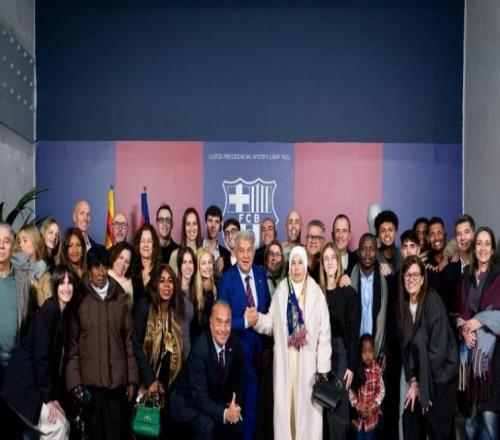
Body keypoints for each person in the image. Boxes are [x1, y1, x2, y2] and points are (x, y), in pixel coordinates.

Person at [249, 245, 331, 440]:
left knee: (308, 417)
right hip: (286, 361)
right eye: (293, 263)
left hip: (309, 365)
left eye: (300, 263)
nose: (296, 267)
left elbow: (324, 333)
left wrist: (323, 368)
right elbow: (271, 324)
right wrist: (256, 319)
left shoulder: (316, 293)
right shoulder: (282, 290)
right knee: (286, 412)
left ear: (306, 265)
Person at [66, 245, 138, 440]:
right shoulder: (78, 298)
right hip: (90, 388)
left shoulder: (119, 297)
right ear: (89, 269)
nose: (101, 272)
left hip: (117, 386)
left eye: (104, 266)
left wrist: (132, 379)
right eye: (96, 267)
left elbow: (129, 341)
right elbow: (72, 347)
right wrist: (75, 384)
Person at [1, 265, 77, 440]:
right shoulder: (48, 311)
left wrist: (54, 398)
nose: (66, 288)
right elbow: (41, 358)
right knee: (57, 426)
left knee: (63, 423)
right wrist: (48, 398)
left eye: (70, 283)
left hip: (32, 385)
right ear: (55, 286)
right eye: (62, 283)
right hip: (21, 385)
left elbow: (53, 364)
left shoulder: (62, 316)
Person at [398, 255, 459, 439]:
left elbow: (437, 352)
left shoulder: (432, 301)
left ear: (423, 278)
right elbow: (406, 349)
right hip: (422, 377)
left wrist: (421, 385)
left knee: (438, 430)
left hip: (441, 377)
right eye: (408, 275)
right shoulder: (403, 305)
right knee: (409, 417)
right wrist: (413, 382)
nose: (411, 279)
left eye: (415, 275)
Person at [219, 230, 271, 440]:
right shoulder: (227, 279)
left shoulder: (260, 274)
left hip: (260, 358)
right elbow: (220, 322)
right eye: (241, 250)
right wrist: (244, 322)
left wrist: (267, 347)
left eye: (250, 250)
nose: (246, 255)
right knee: (236, 413)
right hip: (236, 357)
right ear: (234, 252)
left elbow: (267, 312)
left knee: (255, 412)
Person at [169, 300, 246, 440]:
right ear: (210, 323)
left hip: (210, 398)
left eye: (227, 323)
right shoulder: (200, 350)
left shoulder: (233, 341)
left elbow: (240, 372)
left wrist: (233, 402)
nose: (223, 329)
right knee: (207, 426)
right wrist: (225, 413)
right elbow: (199, 398)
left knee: (237, 424)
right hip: (187, 404)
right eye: (219, 322)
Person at [456, 226, 500, 440]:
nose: (483, 248)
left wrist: (479, 320)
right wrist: (464, 329)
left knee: (489, 420)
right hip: (469, 356)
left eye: (487, 244)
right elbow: (457, 312)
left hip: (492, 360)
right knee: (471, 422)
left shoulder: (498, 276)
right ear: (474, 248)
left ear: (493, 249)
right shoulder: (465, 276)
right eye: (479, 244)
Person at [133, 264, 184, 438]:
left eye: (170, 281)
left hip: (168, 386)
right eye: (162, 281)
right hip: (147, 382)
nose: (166, 285)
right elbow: (136, 345)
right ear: (155, 283)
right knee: (146, 431)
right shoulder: (144, 306)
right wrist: (150, 380)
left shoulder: (175, 310)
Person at [320, 242, 361, 440]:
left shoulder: (348, 292)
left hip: (341, 355)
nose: (329, 262)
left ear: (339, 261)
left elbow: (354, 334)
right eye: (325, 258)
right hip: (320, 356)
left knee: (339, 410)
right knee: (322, 410)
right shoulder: (316, 292)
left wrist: (351, 366)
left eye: (333, 258)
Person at [0, 222, 34, 437]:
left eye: (6, 241)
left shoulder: (23, 278)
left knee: (14, 427)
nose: (1, 246)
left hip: (15, 368)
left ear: (13, 246)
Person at [349, 334, 385, 440]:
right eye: (364, 351)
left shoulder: (377, 370)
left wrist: (373, 408)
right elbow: (350, 390)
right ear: (359, 353)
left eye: (370, 351)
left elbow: (381, 391)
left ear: (374, 352)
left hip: (372, 420)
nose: (367, 355)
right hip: (358, 421)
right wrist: (358, 406)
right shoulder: (357, 370)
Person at [14, 224, 53, 307]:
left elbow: (48, 308)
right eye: (19, 241)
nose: (21, 245)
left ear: (35, 242)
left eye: (25, 240)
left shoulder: (45, 276)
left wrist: (33, 283)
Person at [191, 247, 218, 344]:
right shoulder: (192, 291)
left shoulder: (218, 285)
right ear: (197, 267)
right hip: (199, 343)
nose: (208, 267)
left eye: (210, 262)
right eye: (203, 263)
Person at [169, 207, 203, 276]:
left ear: (198, 226)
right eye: (188, 224)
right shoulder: (175, 255)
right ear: (184, 228)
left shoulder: (204, 254)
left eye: (194, 223)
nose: (192, 228)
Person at [132, 224, 161, 301]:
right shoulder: (132, 269)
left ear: (154, 245)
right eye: (143, 241)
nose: (145, 245)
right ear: (138, 244)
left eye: (149, 241)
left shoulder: (160, 270)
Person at [177, 246, 197, 357]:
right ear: (179, 265)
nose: (188, 266)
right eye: (184, 262)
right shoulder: (173, 289)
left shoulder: (196, 292)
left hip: (189, 354)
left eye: (190, 262)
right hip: (173, 354)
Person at [203, 205, 231, 277]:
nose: (213, 226)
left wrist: (219, 274)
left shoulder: (226, 255)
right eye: (210, 221)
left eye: (217, 222)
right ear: (205, 224)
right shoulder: (196, 247)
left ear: (220, 225)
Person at [108, 241, 135, 310]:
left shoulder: (129, 283)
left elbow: (128, 310)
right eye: (121, 258)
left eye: (127, 262)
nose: (123, 263)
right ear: (114, 256)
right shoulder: (103, 273)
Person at [374, 209, 402, 274]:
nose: (387, 234)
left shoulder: (402, 255)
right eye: (383, 231)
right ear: (378, 235)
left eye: (390, 230)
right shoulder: (374, 257)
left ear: (395, 233)